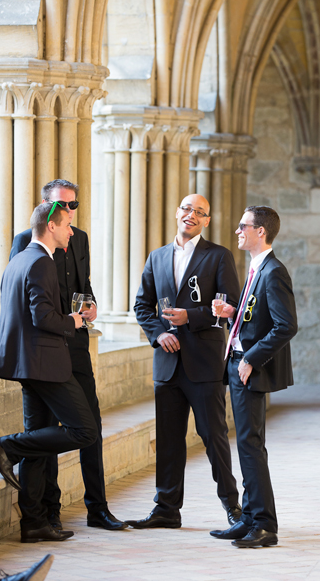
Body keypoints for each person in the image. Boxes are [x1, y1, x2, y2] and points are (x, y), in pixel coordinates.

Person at [10, 179, 125, 531]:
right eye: (64, 206)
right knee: (42, 429)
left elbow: (83, 285)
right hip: (45, 349)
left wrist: (90, 306)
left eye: (74, 205)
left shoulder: (80, 237)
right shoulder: (25, 243)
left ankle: (98, 508)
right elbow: (28, 302)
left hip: (75, 346)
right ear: (47, 209)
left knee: (91, 425)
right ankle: (47, 514)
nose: (70, 213)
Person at [0, 200, 97, 544]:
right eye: (66, 225)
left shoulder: (18, 260)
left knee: (40, 442)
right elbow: (42, 317)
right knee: (85, 430)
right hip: (45, 363)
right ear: (51, 226)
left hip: (27, 363)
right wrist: (75, 320)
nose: (71, 232)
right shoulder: (42, 263)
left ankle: (33, 522)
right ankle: (6, 446)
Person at [129, 194, 242, 530]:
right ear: (177, 212)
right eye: (186, 208)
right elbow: (142, 306)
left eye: (200, 212)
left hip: (203, 364)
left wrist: (188, 317)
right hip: (167, 364)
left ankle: (234, 510)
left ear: (206, 221)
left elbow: (229, 305)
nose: (191, 215)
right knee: (168, 440)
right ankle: (166, 509)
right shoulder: (157, 257)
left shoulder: (219, 256)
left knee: (214, 437)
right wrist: (158, 334)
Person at [210, 205, 297, 548]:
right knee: (246, 444)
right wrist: (233, 313)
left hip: (248, 366)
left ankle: (264, 525)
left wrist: (252, 358)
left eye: (243, 226)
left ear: (261, 231)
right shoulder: (256, 268)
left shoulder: (274, 271)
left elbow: (286, 325)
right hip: (236, 362)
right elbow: (257, 318)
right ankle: (248, 518)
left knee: (251, 445)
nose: (237, 231)